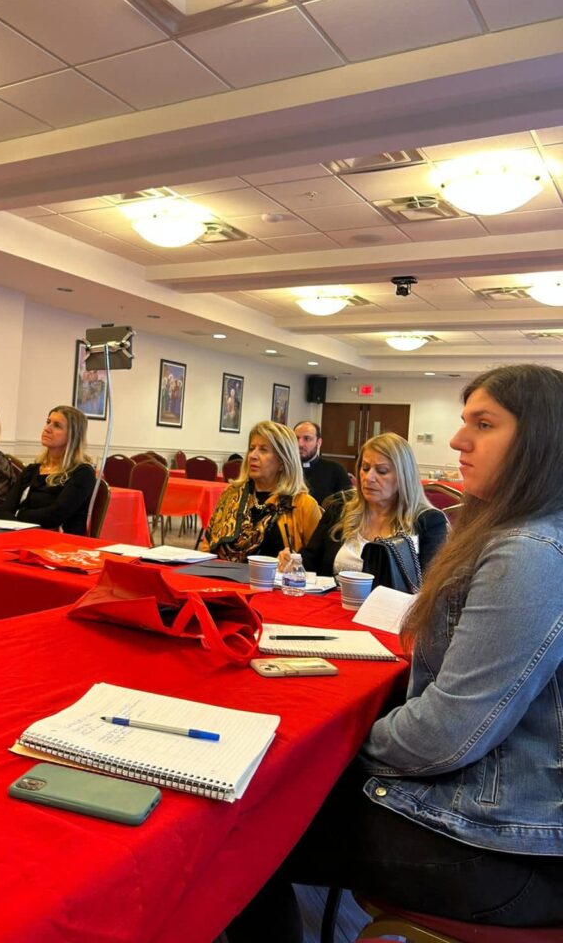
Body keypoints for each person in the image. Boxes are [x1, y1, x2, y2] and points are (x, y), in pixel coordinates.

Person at [227, 364, 563, 939]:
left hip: (505, 847)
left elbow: (446, 735)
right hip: (504, 816)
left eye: (483, 424)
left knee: (247, 826)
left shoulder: (528, 551)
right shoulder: (522, 532)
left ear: (541, 440)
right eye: (465, 422)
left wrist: (326, 744)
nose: (457, 440)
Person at [299, 431, 447, 577]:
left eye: (382, 471)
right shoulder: (340, 508)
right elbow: (309, 561)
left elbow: (431, 583)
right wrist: (294, 562)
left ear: (404, 476)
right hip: (332, 593)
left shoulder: (428, 522)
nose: (368, 478)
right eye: (365, 468)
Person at [200, 421, 321, 562]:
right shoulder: (231, 494)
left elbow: (316, 562)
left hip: (275, 576)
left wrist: (294, 562)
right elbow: (207, 546)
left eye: (263, 450)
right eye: (252, 448)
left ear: (283, 461)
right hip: (220, 573)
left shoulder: (303, 505)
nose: (253, 455)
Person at [0, 406, 96, 534]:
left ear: (73, 435)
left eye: (57, 425)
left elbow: (55, 516)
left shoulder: (82, 473)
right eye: (48, 422)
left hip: (61, 540)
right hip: (23, 534)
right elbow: (4, 510)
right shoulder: (32, 470)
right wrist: (17, 519)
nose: (47, 428)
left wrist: (18, 515)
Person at [293, 420, 351, 505]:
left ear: (319, 443)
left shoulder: (335, 470)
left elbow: (348, 504)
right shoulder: (283, 469)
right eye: (296, 438)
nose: (300, 444)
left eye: (307, 439)